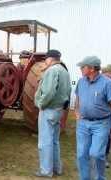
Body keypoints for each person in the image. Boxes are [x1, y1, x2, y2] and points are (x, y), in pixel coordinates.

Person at [75, 56, 111, 180]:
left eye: (82, 66)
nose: (80, 68)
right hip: (83, 124)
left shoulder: (108, 83)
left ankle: (99, 178)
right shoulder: (81, 81)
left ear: (91, 68)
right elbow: (78, 98)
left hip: (101, 124)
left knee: (96, 154)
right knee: (81, 155)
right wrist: (77, 113)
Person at [34, 49, 71, 178]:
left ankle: (45, 170)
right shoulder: (64, 71)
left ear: (50, 59)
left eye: (46, 59)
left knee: (45, 142)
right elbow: (68, 91)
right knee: (54, 141)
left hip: (48, 110)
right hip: (59, 110)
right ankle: (57, 168)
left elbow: (49, 92)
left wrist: (41, 104)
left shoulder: (52, 70)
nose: (45, 61)